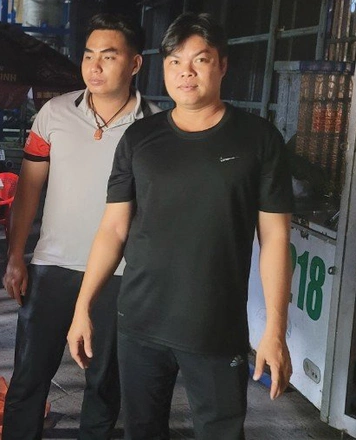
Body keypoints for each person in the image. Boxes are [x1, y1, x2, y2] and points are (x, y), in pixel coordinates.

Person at [67, 12, 294, 440]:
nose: (185, 72)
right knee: (142, 431)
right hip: (139, 321)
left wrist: (275, 331)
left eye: (199, 60)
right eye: (174, 61)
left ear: (222, 65)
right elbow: (113, 229)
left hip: (215, 327)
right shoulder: (139, 139)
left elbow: (276, 238)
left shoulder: (259, 140)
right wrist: (83, 307)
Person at [2, 13, 159, 439]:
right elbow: (29, 189)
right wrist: (16, 255)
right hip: (51, 267)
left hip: (119, 274)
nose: (94, 66)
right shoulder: (53, 114)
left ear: (135, 64)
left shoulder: (155, 126)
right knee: (28, 379)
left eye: (109, 56)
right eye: (89, 55)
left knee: (104, 385)